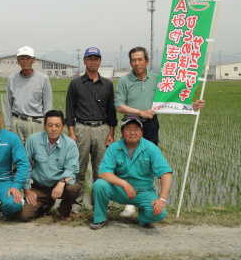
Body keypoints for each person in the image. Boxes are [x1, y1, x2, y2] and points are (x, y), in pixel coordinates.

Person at [114, 46, 204, 216]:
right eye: (133, 60)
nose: (136, 63)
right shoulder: (124, 81)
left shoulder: (158, 79)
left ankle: (145, 199)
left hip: (150, 125)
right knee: (128, 161)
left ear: (147, 61)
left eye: (140, 59)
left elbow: (171, 100)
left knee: (148, 162)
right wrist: (140, 112)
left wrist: (192, 105)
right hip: (131, 124)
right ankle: (129, 203)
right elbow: (118, 105)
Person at [90, 115, 172, 230]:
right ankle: (100, 218)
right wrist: (125, 184)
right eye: (128, 129)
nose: (132, 132)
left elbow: (165, 173)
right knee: (99, 185)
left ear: (142, 132)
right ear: (122, 132)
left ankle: (143, 218)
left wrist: (162, 199)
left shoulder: (151, 148)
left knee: (160, 213)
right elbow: (103, 172)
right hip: (120, 190)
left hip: (143, 191)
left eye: (136, 129)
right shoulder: (114, 147)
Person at [65, 47, 117, 214]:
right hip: (81, 128)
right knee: (78, 169)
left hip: (101, 129)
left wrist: (111, 133)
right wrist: (71, 132)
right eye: (90, 58)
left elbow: (111, 112)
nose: (93, 62)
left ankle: (99, 205)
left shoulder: (107, 85)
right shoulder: (75, 84)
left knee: (100, 170)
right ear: (84, 61)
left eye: (96, 59)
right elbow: (69, 110)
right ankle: (76, 205)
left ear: (100, 61)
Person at [17, 110, 80, 222]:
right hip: (40, 186)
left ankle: (64, 212)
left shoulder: (70, 144)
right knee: (23, 216)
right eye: (50, 125)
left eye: (57, 125)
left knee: (73, 188)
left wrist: (61, 183)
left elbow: (72, 168)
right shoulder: (33, 140)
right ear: (44, 126)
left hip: (60, 185)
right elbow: (25, 164)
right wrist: (27, 190)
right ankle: (46, 205)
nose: (53, 129)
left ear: (63, 127)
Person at [5, 46, 53, 144]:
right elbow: (8, 105)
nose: (25, 61)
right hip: (17, 122)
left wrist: (48, 125)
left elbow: (48, 105)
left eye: (28, 58)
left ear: (33, 60)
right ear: (18, 61)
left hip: (36, 123)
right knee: (17, 155)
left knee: (36, 155)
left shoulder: (43, 79)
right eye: (22, 58)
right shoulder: (12, 79)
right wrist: (8, 127)